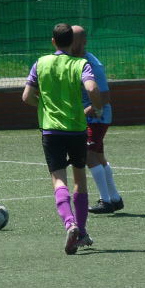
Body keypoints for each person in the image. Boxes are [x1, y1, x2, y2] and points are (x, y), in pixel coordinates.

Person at [22, 23, 103, 255]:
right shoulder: (80, 64)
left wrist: (44, 106)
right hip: (76, 129)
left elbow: (26, 97)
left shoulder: (40, 63)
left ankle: (70, 224)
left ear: (53, 42)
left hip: (51, 131)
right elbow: (92, 88)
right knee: (80, 180)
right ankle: (82, 231)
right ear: (72, 42)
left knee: (59, 180)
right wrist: (97, 107)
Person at [70, 25, 124, 214]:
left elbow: (105, 97)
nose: (70, 43)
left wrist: (85, 112)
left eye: (74, 39)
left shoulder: (92, 64)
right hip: (94, 117)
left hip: (97, 118)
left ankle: (106, 201)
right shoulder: (76, 60)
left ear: (83, 41)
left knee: (89, 155)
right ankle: (115, 199)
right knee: (99, 156)